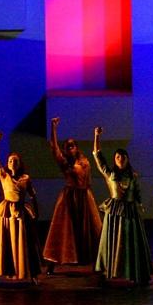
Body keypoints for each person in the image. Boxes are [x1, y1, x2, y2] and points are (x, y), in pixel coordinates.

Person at [93, 127, 152, 286]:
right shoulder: (110, 174)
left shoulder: (133, 176)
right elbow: (98, 157)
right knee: (112, 240)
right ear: (114, 159)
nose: (120, 159)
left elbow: (137, 192)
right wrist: (96, 136)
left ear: (127, 159)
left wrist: (140, 205)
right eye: (117, 157)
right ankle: (109, 269)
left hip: (130, 211)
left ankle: (136, 271)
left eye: (123, 156)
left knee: (132, 242)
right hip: (114, 211)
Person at [42, 117, 102, 275]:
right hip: (69, 198)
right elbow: (54, 148)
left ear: (76, 147)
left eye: (72, 146)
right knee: (63, 230)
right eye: (67, 147)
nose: (70, 148)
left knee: (89, 229)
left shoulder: (84, 161)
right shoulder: (64, 163)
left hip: (84, 196)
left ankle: (96, 262)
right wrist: (53, 128)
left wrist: (96, 136)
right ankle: (52, 264)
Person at [0, 131, 42, 286]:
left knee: (26, 243)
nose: (12, 162)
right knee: (3, 242)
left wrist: (36, 211)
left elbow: (33, 195)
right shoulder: (4, 175)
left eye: (15, 161)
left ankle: (32, 274)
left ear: (19, 163)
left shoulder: (25, 178)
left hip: (21, 213)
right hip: (7, 212)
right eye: (10, 160)